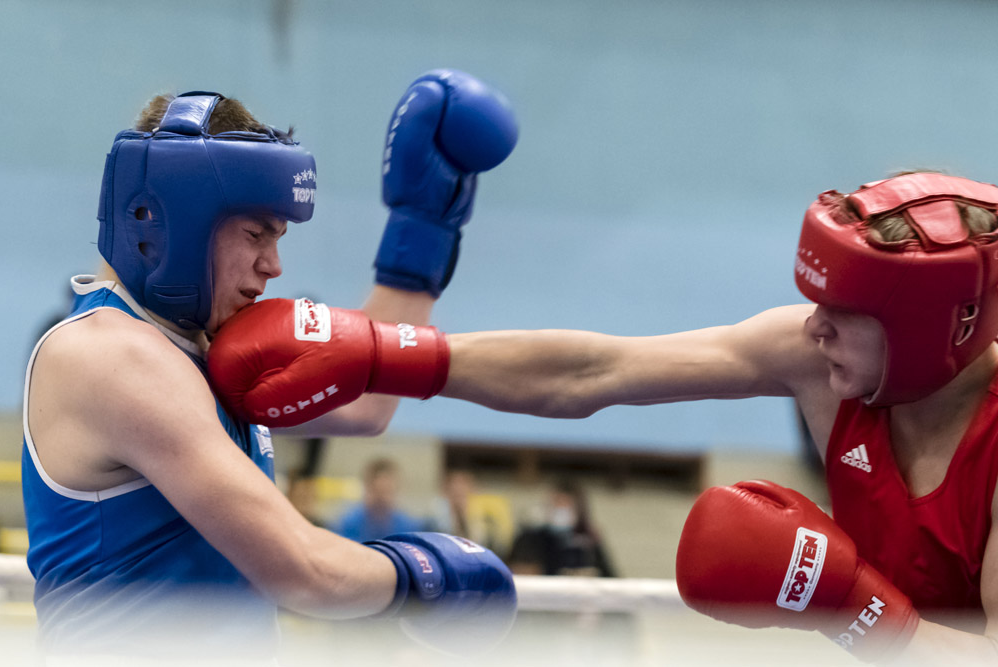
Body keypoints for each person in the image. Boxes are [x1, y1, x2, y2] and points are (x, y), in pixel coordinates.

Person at [211, 171, 998, 664]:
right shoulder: (818, 357)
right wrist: (391, 355)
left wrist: (854, 604)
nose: (815, 325)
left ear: (941, 326)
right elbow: (596, 370)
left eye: (846, 312)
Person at [22, 70, 518, 662]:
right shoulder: (110, 356)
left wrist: (425, 224)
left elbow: (367, 403)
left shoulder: (210, 348)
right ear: (169, 217)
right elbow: (305, 570)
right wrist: (425, 574)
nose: (274, 265)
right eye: (256, 233)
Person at [507, 478, 615, 577]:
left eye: (566, 505)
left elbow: (610, 578)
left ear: (578, 510)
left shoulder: (588, 541)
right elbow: (512, 572)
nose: (560, 509)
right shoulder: (529, 537)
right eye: (556, 503)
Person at [335, 458, 423, 542]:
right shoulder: (349, 523)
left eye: (387, 491)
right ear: (367, 489)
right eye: (377, 491)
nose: (382, 499)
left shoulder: (408, 527)